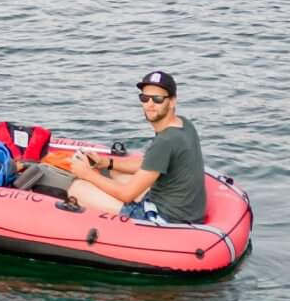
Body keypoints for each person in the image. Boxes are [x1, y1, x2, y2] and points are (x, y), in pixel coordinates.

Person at [63, 70, 207, 224]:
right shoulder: (183, 124)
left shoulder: (165, 141)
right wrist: (106, 163)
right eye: (145, 98)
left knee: (78, 188)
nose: (150, 104)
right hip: (185, 209)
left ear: (172, 102)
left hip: (168, 218)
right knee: (116, 173)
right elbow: (150, 163)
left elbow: (127, 195)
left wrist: (87, 174)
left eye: (157, 99)